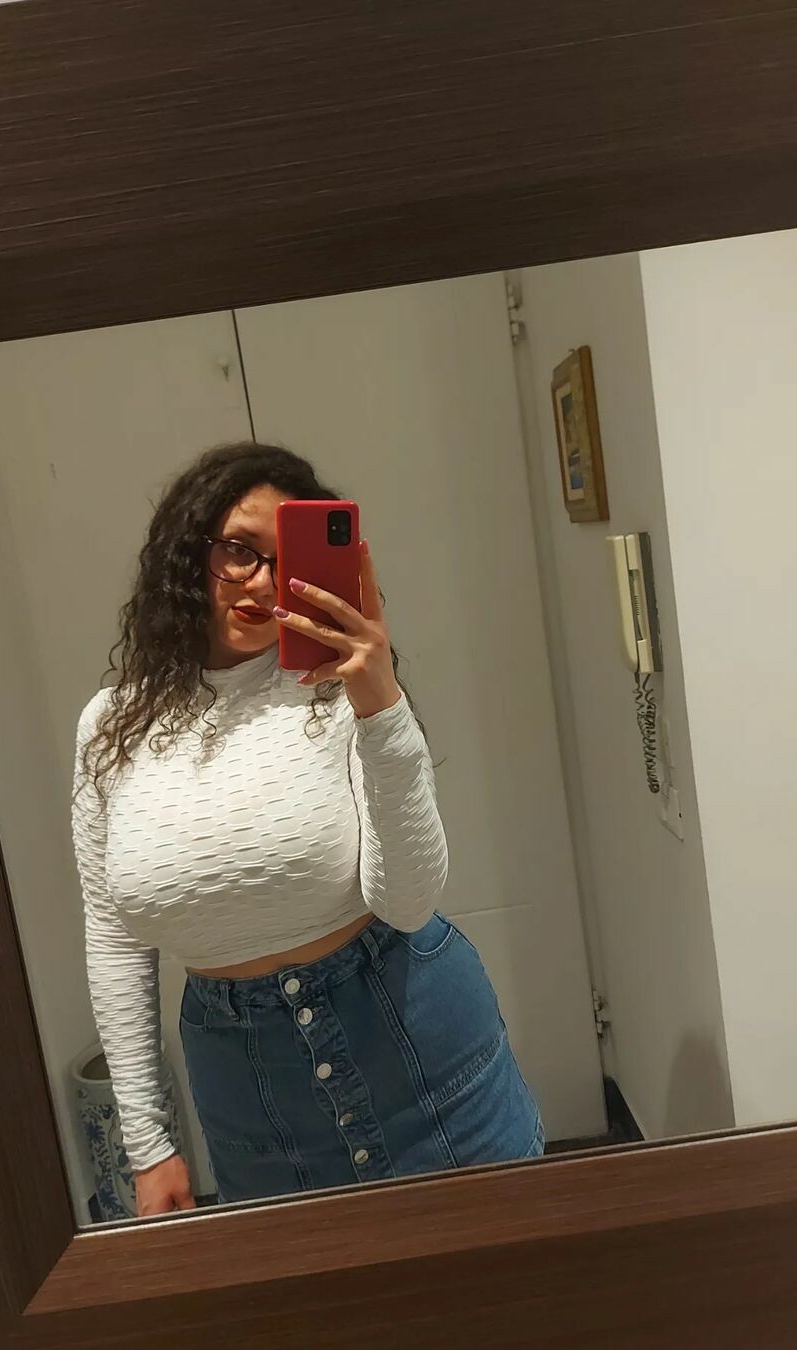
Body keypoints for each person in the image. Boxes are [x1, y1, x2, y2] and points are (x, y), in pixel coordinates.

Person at [71, 441, 544, 1215]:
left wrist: (380, 701)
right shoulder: (110, 726)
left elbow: (409, 904)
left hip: (418, 1049)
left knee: (501, 1271)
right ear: (188, 552)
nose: (263, 580)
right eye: (239, 550)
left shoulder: (337, 690)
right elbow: (115, 940)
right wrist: (149, 1143)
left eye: (285, 559)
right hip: (252, 1099)